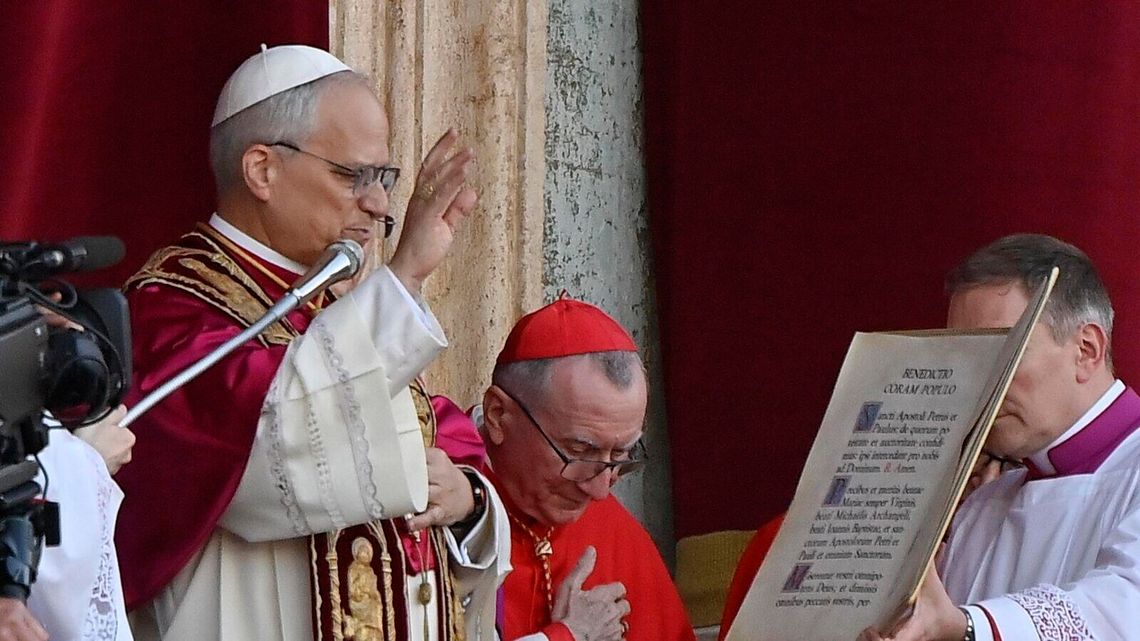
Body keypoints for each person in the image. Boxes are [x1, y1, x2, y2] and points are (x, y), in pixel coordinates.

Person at [114, 45, 508, 641]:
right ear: (262, 170)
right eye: (354, 176)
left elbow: (443, 437)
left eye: (384, 178)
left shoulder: (330, 305)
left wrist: (471, 500)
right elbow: (272, 447)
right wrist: (403, 280)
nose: (378, 205)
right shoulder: (174, 306)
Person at [864, 233, 1140, 640]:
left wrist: (968, 625)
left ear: (1087, 349)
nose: (982, 386)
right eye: (970, 358)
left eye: (1004, 353)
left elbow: (1123, 608)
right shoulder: (982, 505)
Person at [476, 296, 696, 641]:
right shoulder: (446, 514)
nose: (600, 491)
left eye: (620, 456)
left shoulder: (617, 534)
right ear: (498, 416)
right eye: (580, 452)